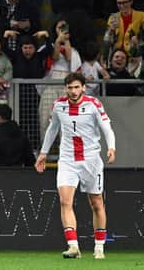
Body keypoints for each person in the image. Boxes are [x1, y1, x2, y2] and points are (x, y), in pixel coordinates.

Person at [35, 73, 116, 260]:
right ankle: (73, 246)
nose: (73, 91)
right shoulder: (59, 106)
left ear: (83, 88)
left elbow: (106, 128)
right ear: (66, 89)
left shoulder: (94, 105)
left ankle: (99, 246)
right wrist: (43, 153)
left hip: (91, 159)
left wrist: (111, 147)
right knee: (65, 201)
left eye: (76, 87)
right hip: (67, 160)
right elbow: (53, 128)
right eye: (70, 87)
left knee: (96, 203)